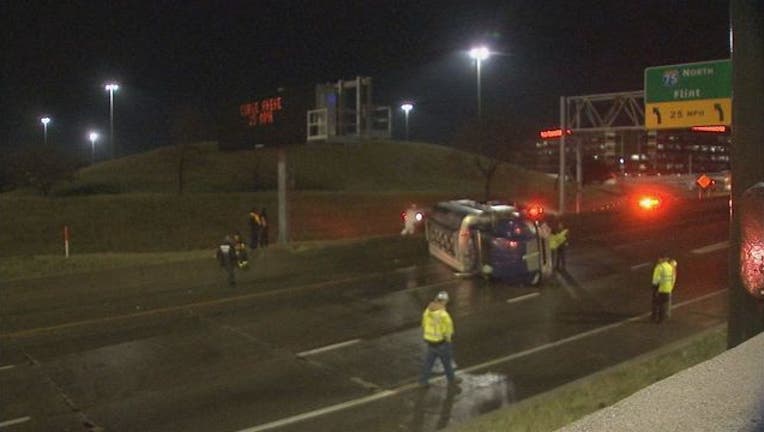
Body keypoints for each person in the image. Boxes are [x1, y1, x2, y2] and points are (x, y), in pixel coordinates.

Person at [420, 291, 460, 387]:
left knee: (428, 363)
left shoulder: (427, 311)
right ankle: (452, 380)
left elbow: (424, 324)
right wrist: (448, 340)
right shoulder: (443, 315)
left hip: (430, 342)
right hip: (441, 343)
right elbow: (449, 329)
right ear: (444, 301)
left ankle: (423, 381)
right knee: (447, 363)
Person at [651, 254, 677, 323]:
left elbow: (656, 280)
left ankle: (656, 318)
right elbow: (673, 277)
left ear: (662, 259)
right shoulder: (670, 267)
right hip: (668, 288)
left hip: (660, 288)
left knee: (657, 303)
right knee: (663, 304)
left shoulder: (659, 267)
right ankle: (662, 317)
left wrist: (654, 286)